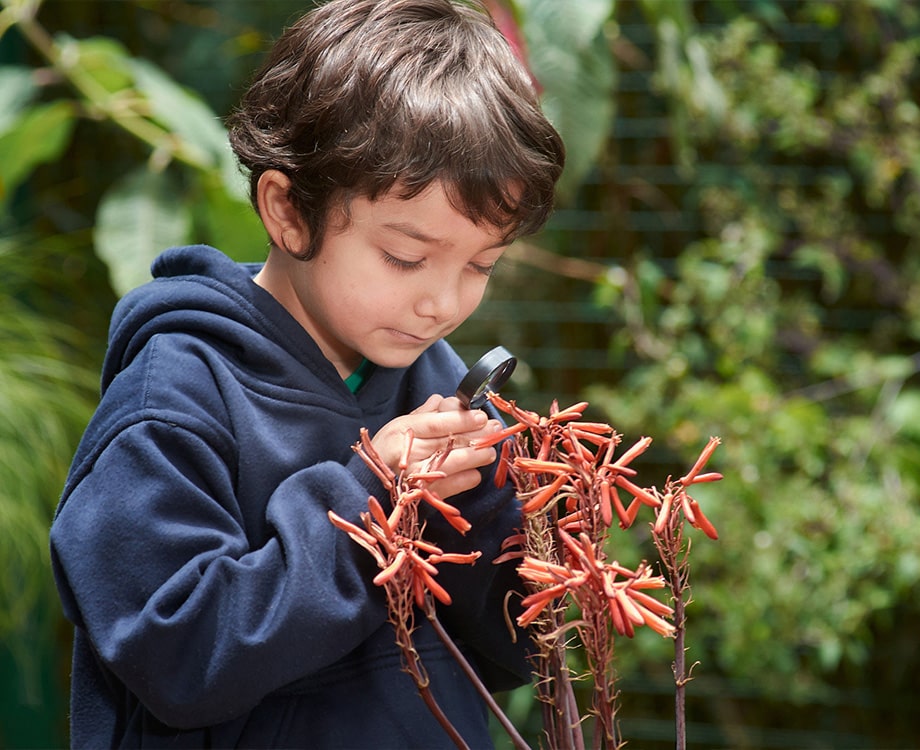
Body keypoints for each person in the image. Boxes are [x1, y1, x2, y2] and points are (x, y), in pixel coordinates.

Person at [49, 0, 564, 746]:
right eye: (406, 258)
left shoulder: (434, 380)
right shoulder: (174, 398)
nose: (443, 302)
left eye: (481, 264)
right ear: (288, 212)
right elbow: (180, 657)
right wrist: (374, 504)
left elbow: (509, 651)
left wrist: (511, 522)